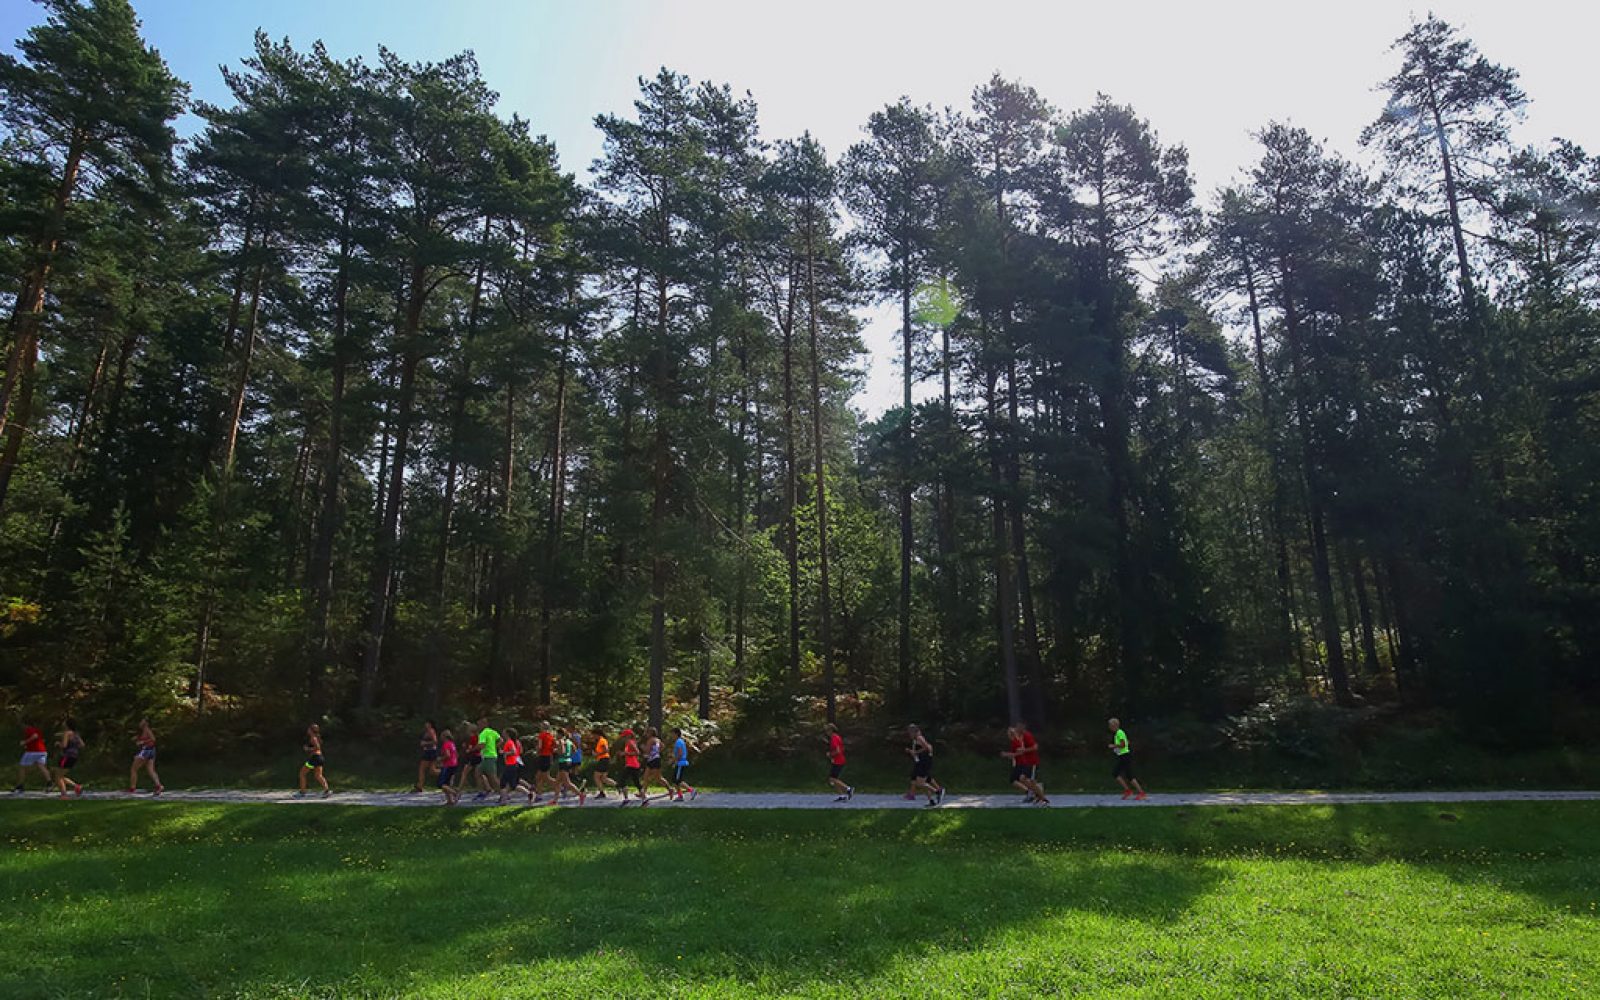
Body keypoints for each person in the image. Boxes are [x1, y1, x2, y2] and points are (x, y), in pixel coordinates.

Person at [1002, 723, 1049, 806]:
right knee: (1023, 779)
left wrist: (1023, 750)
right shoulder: (1021, 737)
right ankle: (1037, 793)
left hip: (1032, 762)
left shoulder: (1027, 736)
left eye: (1016, 729)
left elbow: (1035, 747)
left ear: (1021, 728)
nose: (1015, 731)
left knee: (1027, 780)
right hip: (1027, 762)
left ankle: (1042, 798)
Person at [1108, 718, 1147, 801]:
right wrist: (1117, 748)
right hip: (1122, 756)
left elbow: (1123, 744)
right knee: (1115, 773)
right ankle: (1128, 791)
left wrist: (1114, 746)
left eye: (1110, 725)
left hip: (1125, 756)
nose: (1109, 727)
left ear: (1115, 725)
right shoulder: (1118, 733)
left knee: (1129, 775)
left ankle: (1141, 793)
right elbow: (1127, 742)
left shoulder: (1120, 733)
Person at [904, 724, 943, 807]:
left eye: (910, 733)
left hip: (924, 762)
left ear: (914, 732)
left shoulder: (919, 738)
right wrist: (912, 752)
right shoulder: (916, 739)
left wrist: (916, 752)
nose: (909, 735)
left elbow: (927, 747)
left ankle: (938, 791)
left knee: (920, 783)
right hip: (920, 762)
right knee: (920, 782)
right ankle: (931, 800)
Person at [550, 728, 585, 805]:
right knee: (558, 782)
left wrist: (555, 750)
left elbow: (562, 752)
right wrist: (568, 755)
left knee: (567, 783)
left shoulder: (561, 741)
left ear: (560, 734)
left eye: (557, 734)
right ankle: (555, 801)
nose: (556, 735)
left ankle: (580, 795)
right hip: (567, 761)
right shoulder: (569, 741)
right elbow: (574, 750)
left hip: (563, 762)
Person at [13, 722, 51, 793]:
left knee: (22, 767)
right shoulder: (37, 729)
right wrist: (28, 744)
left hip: (33, 751)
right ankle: (49, 782)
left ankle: (20, 785)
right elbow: (38, 738)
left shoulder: (29, 729)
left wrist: (25, 742)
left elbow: (35, 736)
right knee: (41, 766)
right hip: (42, 751)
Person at [128, 718, 162, 796]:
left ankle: (132, 788)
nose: (140, 723)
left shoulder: (147, 730)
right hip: (151, 751)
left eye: (141, 721)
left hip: (146, 751)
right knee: (150, 770)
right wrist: (137, 738)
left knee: (133, 769)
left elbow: (153, 739)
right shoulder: (143, 731)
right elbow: (145, 738)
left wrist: (142, 742)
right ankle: (158, 785)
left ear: (146, 723)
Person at [638, 728, 671, 806]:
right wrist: (657, 752)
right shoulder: (657, 740)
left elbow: (647, 750)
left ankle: (670, 789)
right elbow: (662, 746)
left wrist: (642, 747)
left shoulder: (650, 740)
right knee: (646, 777)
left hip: (653, 760)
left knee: (658, 778)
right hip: (654, 759)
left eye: (647, 733)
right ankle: (643, 792)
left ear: (650, 733)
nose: (646, 734)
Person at [497, 729, 530, 805]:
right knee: (509, 784)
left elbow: (514, 751)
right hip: (512, 764)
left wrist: (505, 753)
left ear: (508, 734)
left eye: (504, 733)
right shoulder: (512, 742)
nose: (503, 734)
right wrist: (504, 752)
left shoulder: (509, 742)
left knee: (507, 784)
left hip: (511, 765)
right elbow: (519, 751)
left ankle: (528, 793)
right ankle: (503, 800)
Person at [299, 724, 331, 798]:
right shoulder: (316, 737)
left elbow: (317, 747)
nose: (307, 730)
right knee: (318, 775)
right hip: (320, 758)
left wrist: (308, 749)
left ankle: (302, 792)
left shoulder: (313, 738)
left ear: (311, 730)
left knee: (302, 774)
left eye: (309, 729)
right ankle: (327, 791)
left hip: (315, 758)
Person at [54, 719, 84, 798]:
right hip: (74, 756)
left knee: (58, 776)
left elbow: (64, 745)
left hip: (66, 756)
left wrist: (58, 744)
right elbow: (82, 745)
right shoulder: (76, 734)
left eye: (64, 722)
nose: (63, 723)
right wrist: (74, 746)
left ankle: (64, 795)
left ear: (67, 725)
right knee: (60, 775)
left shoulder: (66, 733)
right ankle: (76, 786)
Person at [474, 718, 500, 801]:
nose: (478, 726)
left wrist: (473, 749)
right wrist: (494, 747)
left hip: (488, 756)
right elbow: (501, 740)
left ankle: (503, 793)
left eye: (479, 725)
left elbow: (482, 745)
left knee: (492, 777)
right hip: (491, 756)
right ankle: (482, 792)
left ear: (484, 724)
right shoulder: (493, 732)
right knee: (478, 772)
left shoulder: (483, 733)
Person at [826, 723, 853, 802]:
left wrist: (830, 754)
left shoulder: (834, 738)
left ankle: (848, 789)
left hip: (838, 761)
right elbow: (841, 748)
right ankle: (842, 796)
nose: (826, 732)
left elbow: (838, 751)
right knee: (833, 779)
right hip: (837, 760)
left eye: (827, 730)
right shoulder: (836, 737)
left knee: (832, 779)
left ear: (831, 730)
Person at [531, 722, 558, 802]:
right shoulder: (551, 735)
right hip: (548, 757)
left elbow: (540, 746)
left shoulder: (541, 735)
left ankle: (560, 786)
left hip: (543, 757)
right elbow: (555, 745)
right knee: (538, 777)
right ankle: (539, 795)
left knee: (545, 777)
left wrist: (536, 752)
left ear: (542, 727)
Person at [669, 728, 697, 802]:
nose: (671, 735)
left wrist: (674, 761)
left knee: (678, 780)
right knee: (675, 780)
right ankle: (680, 796)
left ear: (676, 734)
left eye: (672, 734)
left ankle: (691, 790)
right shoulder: (679, 741)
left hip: (681, 763)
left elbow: (680, 753)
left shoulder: (678, 742)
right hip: (679, 763)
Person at [589, 728, 616, 799]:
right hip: (604, 759)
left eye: (593, 735)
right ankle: (619, 786)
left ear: (597, 734)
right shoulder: (600, 741)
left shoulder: (602, 740)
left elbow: (606, 750)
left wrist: (597, 754)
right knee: (604, 778)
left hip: (603, 760)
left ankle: (602, 793)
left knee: (596, 776)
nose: (593, 736)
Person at [412, 720, 439, 793]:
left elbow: (435, 741)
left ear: (430, 724)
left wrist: (425, 743)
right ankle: (446, 774)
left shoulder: (431, 731)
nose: (425, 725)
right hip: (429, 751)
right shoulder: (427, 732)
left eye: (427, 723)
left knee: (422, 769)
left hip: (430, 752)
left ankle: (420, 786)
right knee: (432, 771)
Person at [436, 728, 461, 805]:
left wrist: (440, 759)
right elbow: (456, 755)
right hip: (454, 765)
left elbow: (447, 755)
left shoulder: (446, 744)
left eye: (441, 736)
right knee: (448, 784)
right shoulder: (452, 744)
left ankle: (455, 793)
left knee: (442, 784)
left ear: (444, 737)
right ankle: (450, 801)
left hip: (448, 765)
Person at [618, 728, 643, 804]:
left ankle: (626, 799)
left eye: (624, 736)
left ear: (629, 735)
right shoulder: (629, 742)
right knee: (636, 782)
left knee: (622, 780)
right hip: (633, 764)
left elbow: (637, 752)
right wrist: (624, 754)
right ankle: (644, 798)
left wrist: (625, 753)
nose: (623, 738)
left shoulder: (630, 742)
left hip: (631, 765)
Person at [458, 720, 482, 795]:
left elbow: (471, 747)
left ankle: (460, 788)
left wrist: (468, 749)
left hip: (474, 756)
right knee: (479, 773)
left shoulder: (472, 738)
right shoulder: (478, 736)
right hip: (479, 755)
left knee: (465, 772)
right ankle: (485, 788)